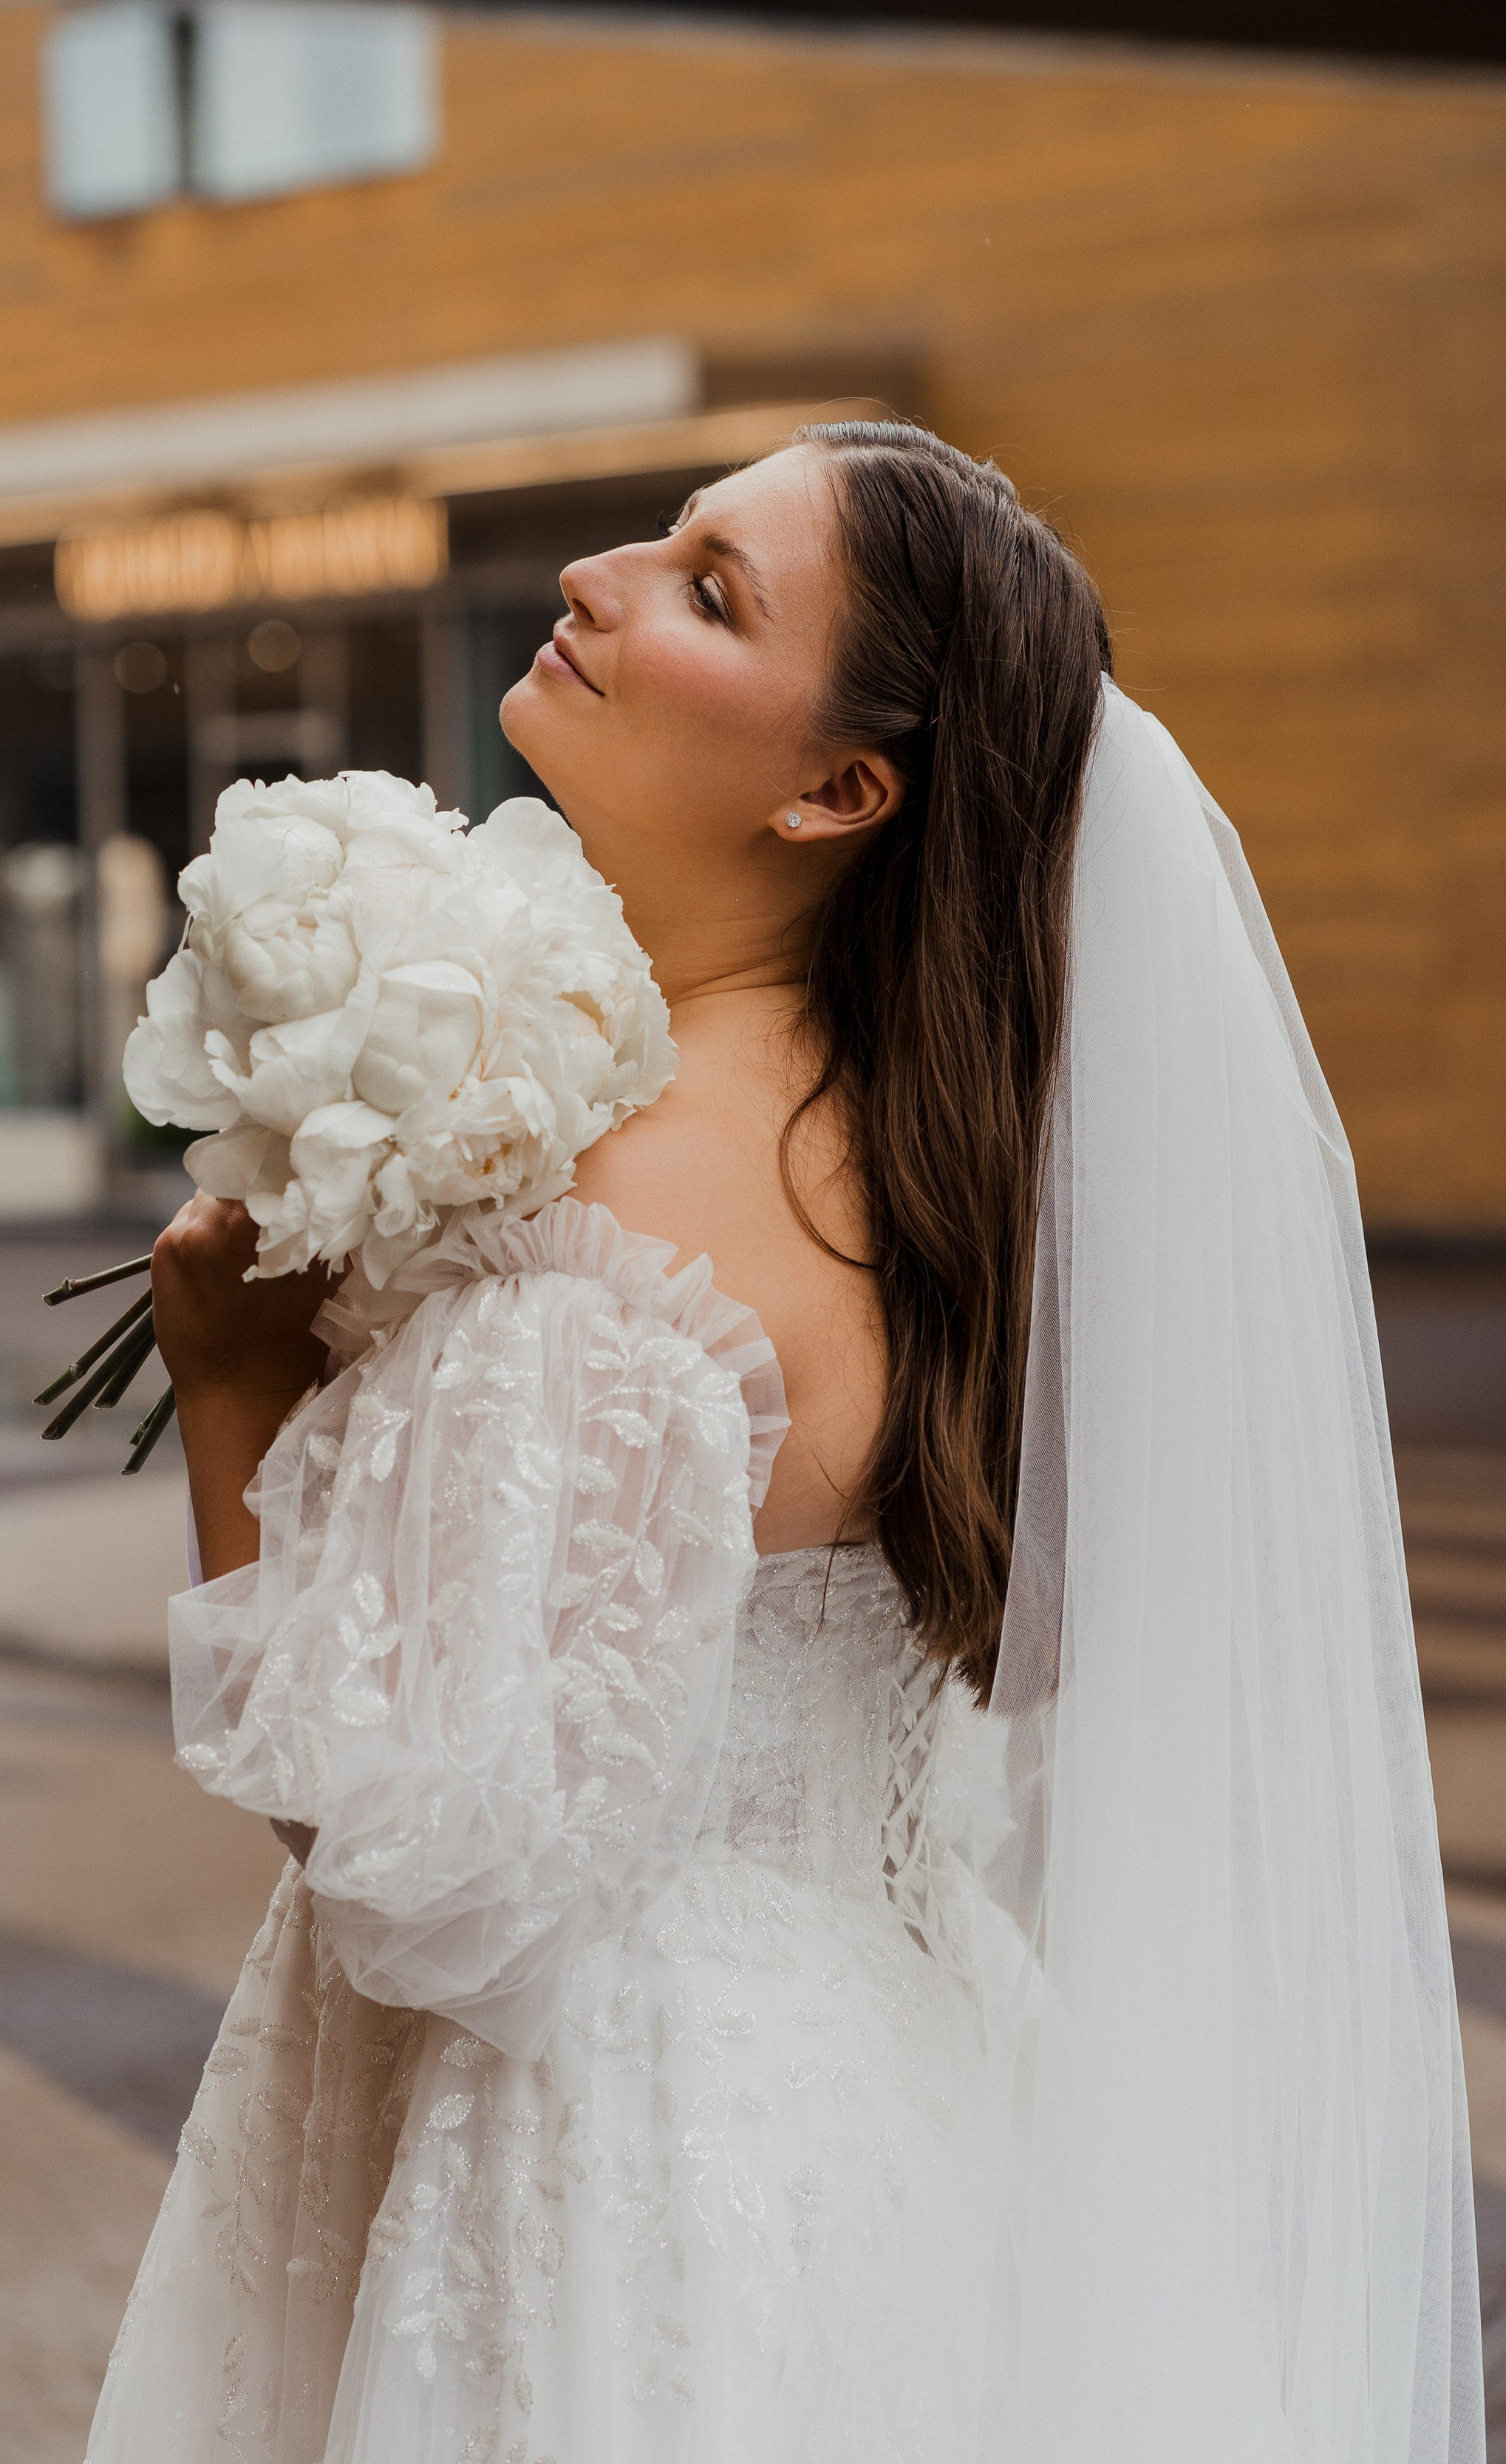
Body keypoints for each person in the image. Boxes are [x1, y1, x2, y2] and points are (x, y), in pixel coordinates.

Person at [86, 423, 1481, 2462]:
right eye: (668, 540)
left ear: (841, 789)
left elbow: (428, 1868)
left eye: (708, 586)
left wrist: (226, 1384)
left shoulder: (633, 1207)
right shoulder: (914, 1177)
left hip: (603, 2153)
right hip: (883, 2096)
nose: (601, 576)